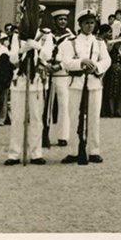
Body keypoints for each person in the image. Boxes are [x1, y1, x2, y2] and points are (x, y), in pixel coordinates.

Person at [60, 9, 111, 164]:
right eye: (86, 23)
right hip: (76, 83)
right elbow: (65, 62)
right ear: (80, 24)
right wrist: (81, 62)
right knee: (74, 116)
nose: (89, 26)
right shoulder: (71, 42)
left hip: (94, 83)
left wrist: (96, 67)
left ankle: (94, 150)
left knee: (94, 116)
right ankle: (74, 151)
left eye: (92, 23)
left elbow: (106, 61)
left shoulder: (99, 43)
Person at [3, 22, 48, 166]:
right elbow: (12, 58)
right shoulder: (17, 36)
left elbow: (47, 55)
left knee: (36, 118)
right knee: (17, 119)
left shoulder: (45, 35)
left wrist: (37, 46)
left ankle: (36, 153)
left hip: (36, 82)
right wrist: (23, 49)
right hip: (20, 82)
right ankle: (14, 154)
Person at [46, 9, 75, 146]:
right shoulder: (48, 36)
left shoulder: (71, 38)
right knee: (47, 106)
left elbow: (73, 56)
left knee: (64, 105)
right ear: (54, 21)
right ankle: (45, 134)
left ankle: (63, 136)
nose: (62, 22)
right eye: (60, 19)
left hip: (63, 75)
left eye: (64, 19)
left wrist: (60, 65)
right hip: (48, 75)